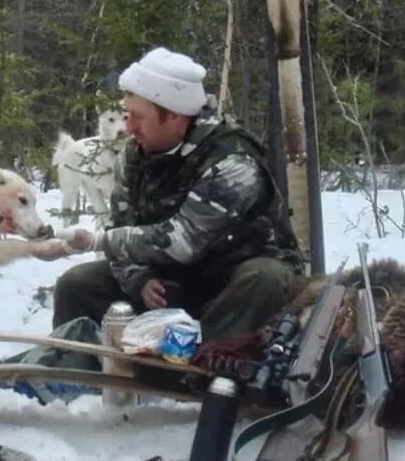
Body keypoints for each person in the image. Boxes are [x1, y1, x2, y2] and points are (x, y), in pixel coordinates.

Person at [55, 47, 305, 343]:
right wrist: (138, 279)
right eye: (126, 116)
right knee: (77, 284)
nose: (129, 128)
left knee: (265, 279)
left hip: (235, 276)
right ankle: (74, 372)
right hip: (173, 275)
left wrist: (96, 241)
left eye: (138, 117)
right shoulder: (133, 157)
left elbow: (181, 241)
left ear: (174, 116)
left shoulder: (232, 161)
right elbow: (121, 227)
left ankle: (215, 372)